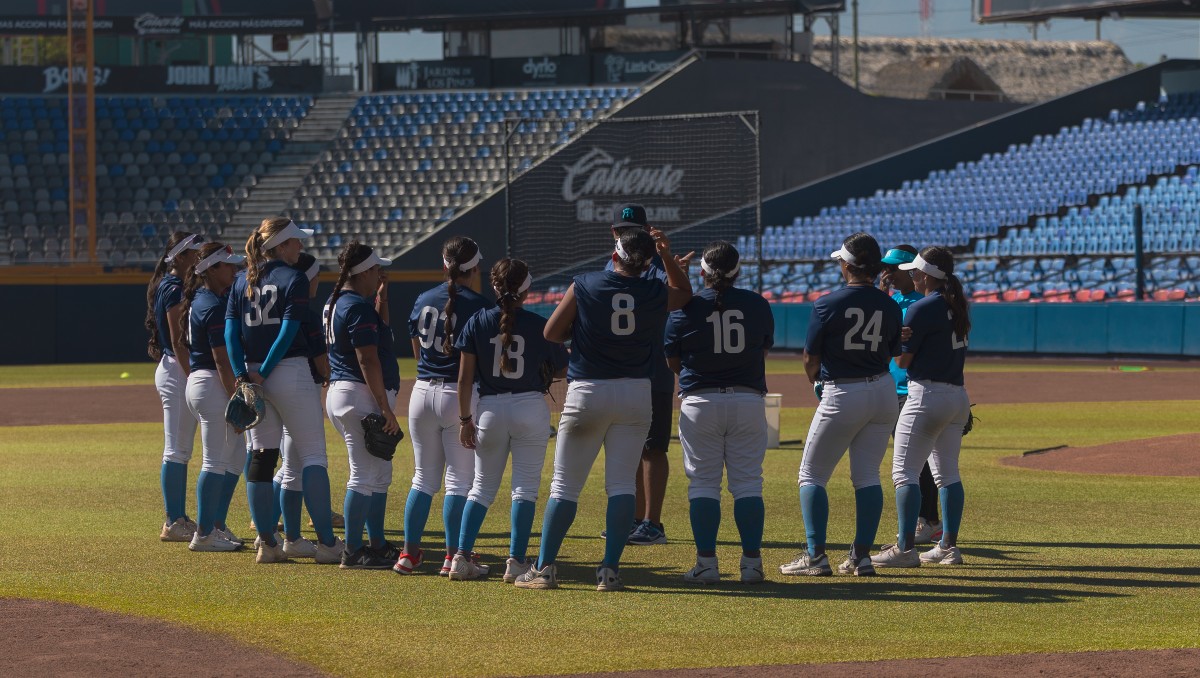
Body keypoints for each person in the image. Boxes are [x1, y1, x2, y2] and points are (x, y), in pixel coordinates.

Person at [515, 227, 692, 591]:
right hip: (635, 393)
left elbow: (550, 332)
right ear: (647, 264)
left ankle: (544, 568)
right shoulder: (653, 289)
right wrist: (667, 257)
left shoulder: (585, 283)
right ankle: (610, 570)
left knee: (564, 486)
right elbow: (685, 294)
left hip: (588, 390)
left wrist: (581, 332)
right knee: (622, 485)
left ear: (615, 256)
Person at [781, 233, 901, 578]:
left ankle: (816, 556)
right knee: (866, 476)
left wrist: (816, 380)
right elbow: (893, 351)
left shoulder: (827, 303)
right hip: (882, 390)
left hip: (843, 391)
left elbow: (809, 358)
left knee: (811, 474)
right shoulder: (889, 303)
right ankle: (861, 557)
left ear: (847, 265)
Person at [226, 217, 342, 565]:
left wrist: (243, 375)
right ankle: (327, 544)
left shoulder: (240, 281)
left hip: (251, 370)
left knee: (262, 458)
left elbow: (231, 335)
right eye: (295, 242)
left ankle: (268, 543)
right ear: (279, 246)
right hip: (288, 371)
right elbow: (289, 332)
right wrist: (266, 373)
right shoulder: (293, 279)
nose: (300, 247)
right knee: (313, 457)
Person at [450, 258, 568, 582]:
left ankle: (460, 557)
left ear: (494, 285)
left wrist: (464, 420)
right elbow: (560, 368)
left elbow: (463, 380)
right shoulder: (538, 324)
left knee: (480, 488)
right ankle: (515, 562)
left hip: (488, 408)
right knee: (524, 490)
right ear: (527, 289)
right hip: (529, 406)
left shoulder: (477, 320)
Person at [664, 241, 774, 585]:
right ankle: (752, 565)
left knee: (703, 485)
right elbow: (763, 349)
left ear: (702, 272)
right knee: (748, 485)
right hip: (748, 400)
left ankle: (707, 564)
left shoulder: (686, 308)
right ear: (738, 271)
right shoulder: (757, 304)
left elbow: (673, 361)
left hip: (701, 401)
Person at [396, 236, 495, 576]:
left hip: (422, 391)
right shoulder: (480, 305)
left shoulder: (424, 298)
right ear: (475, 268)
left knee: (422, 479)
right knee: (459, 482)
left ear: (444, 266)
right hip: (458, 394)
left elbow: (416, 349)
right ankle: (453, 557)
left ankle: (408, 555)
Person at [873, 247, 972, 568]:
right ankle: (948, 547)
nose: (912, 275)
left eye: (916, 271)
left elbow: (902, 359)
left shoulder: (922, 308)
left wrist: (893, 340)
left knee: (904, 472)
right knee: (947, 475)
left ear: (927, 275)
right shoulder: (955, 304)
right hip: (957, 395)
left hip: (925, 394)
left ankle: (904, 548)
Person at [601, 204, 692, 546]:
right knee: (627, 449)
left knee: (652, 448)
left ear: (649, 231)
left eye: (634, 229)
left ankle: (653, 523)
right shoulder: (610, 265)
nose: (627, 234)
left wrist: (670, 263)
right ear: (614, 233)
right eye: (622, 229)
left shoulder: (658, 269)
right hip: (618, 373)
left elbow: (682, 298)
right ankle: (632, 518)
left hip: (651, 369)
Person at [323, 242, 404, 569]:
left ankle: (376, 543)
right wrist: (385, 407)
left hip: (347, 392)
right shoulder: (354, 305)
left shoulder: (338, 300)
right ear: (364, 272)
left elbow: (378, 333)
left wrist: (381, 296)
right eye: (375, 271)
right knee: (363, 475)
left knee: (379, 472)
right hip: (359, 394)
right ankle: (353, 550)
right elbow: (367, 358)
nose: (380, 275)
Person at [181, 242, 247, 552]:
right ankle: (204, 534)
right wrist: (238, 398)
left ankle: (214, 526)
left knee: (233, 457)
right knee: (214, 462)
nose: (235, 270)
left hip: (202, 382)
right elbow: (221, 360)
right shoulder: (212, 304)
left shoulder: (206, 298)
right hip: (211, 383)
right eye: (229, 265)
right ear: (212, 269)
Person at [881, 245, 942, 546]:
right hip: (892, 389)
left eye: (893, 268)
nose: (887, 273)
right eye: (886, 268)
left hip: (913, 389)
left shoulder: (921, 304)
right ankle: (927, 521)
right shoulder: (892, 301)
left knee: (917, 463)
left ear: (910, 271)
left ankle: (927, 521)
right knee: (909, 461)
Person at [146, 231, 204, 542]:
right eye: (193, 252)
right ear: (179, 257)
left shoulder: (177, 285)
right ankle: (173, 521)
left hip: (177, 369)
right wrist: (194, 376)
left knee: (181, 449)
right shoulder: (173, 287)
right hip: (178, 370)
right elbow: (179, 341)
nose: (198, 256)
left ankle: (178, 517)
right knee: (177, 450)